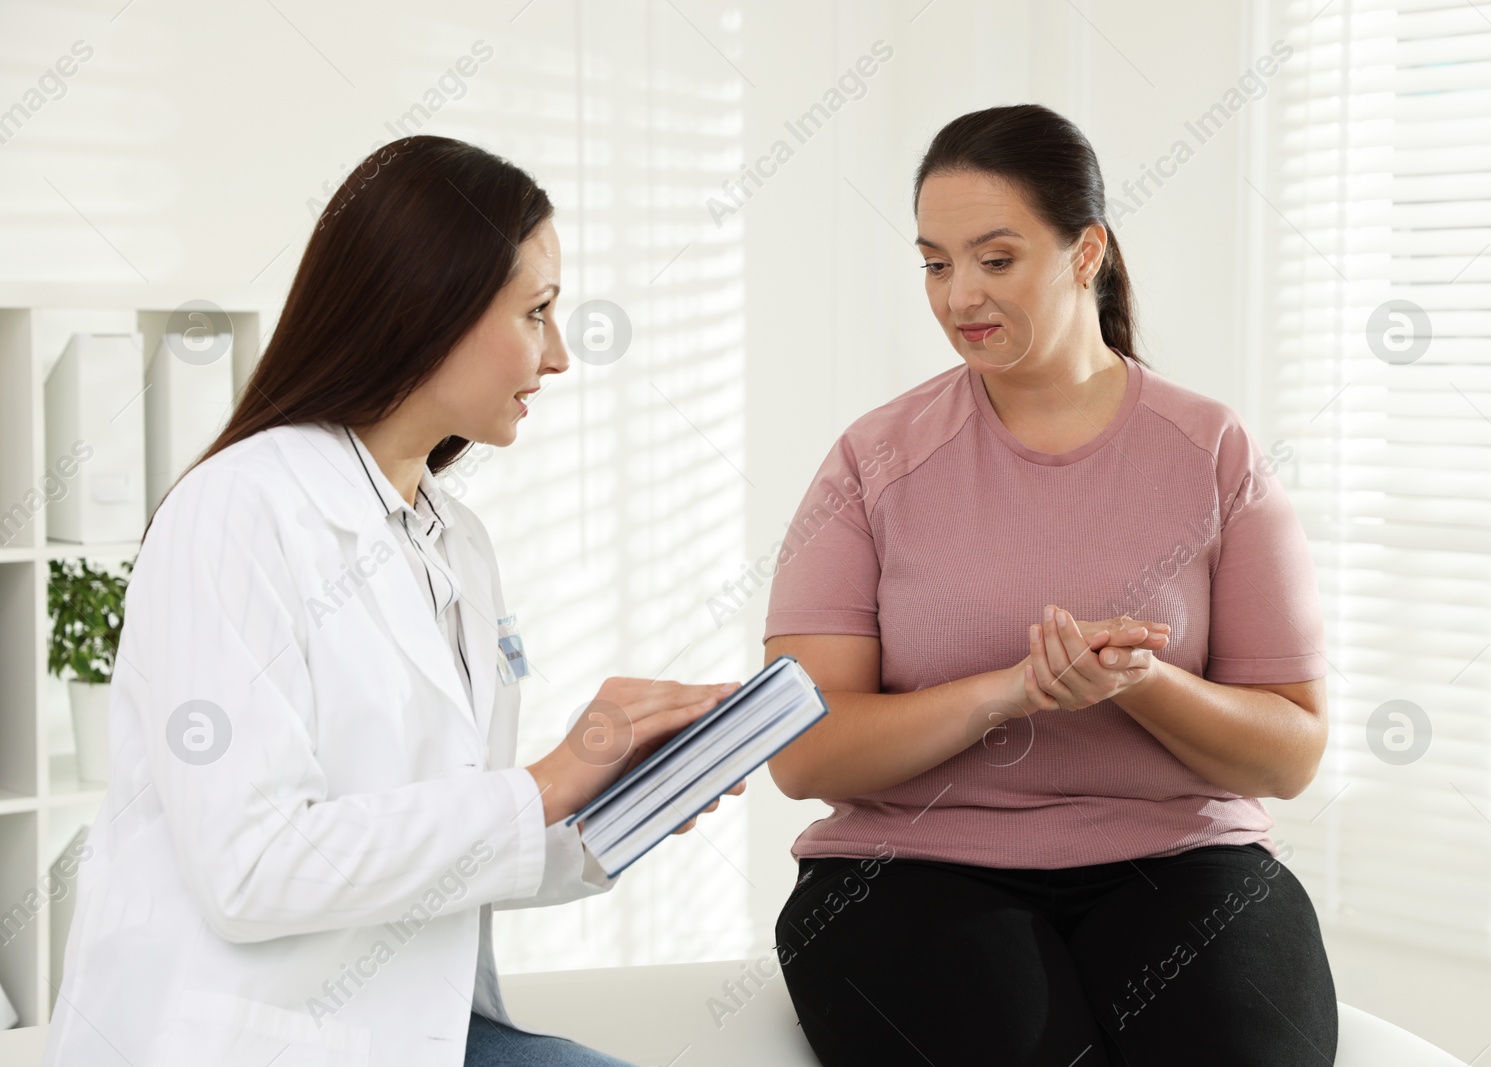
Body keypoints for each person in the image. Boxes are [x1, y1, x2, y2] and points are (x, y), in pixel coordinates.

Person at [44, 135, 742, 1067]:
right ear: (429, 306)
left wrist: (609, 815)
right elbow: (251, 870)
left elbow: (438, 841)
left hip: (422, 1023)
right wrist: (539, 783)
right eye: (537, 313)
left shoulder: (454, 538)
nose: (562, 355)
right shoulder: (238, 511)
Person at [762, 104, 1337, 1066]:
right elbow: (802, 754)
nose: (959, 298)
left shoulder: (1213, 452)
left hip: (1182, 861)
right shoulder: (874, 459)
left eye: (996, 258)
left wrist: (1143, 685)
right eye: (936, 264)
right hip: (911, 870)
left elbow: (1288, 754)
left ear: (1086, 252)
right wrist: (1008, 692)